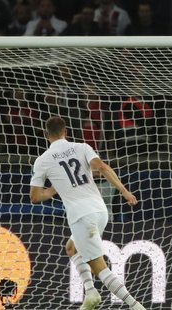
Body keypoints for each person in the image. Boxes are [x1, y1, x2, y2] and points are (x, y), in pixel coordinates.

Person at [29, 116, 146, 310]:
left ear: (46, 135)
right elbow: (102, 167)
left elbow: (34, 197)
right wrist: (124, 191)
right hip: (100, 211)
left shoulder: (43, 160)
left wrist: (53, 189)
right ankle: (91, 292)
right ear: (65, 132)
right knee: (71, 248)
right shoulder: (82, 147)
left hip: (81, 216)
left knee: (99, 267)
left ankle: (136, 306)